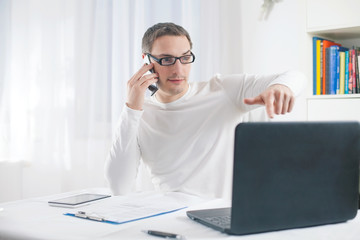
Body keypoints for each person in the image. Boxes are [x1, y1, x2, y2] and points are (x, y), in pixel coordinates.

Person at [105, 22, 306, 199]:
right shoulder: (138, 114)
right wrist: (131, 108)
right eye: (166, 59)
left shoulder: (222, 89)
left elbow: (296, 76)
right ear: (147, 61)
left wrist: (281, 87)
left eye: (184, 58)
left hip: (222, 214)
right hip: (170, 217)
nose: (178, 69)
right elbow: (119, 187)